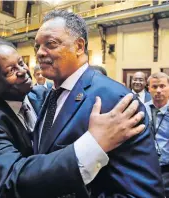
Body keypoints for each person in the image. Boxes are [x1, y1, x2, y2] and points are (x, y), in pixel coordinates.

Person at [0, 39, 145, 198]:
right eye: (10, 71)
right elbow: (11, 180)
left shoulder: (42, 96)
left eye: (21, 63)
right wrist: (95, 143)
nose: (23, 71)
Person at [34, 10, 164, 198]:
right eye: (37, 46)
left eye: (50, 44)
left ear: (79, 46)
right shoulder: (53, 93)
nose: (39, 53)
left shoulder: (114, 99)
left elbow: (143, 193)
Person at [145, 72, 169, 197]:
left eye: (162, 86)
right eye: (154, 87)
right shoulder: (141, 110)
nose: (158, 90)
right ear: (148, 89)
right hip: (147, 167)